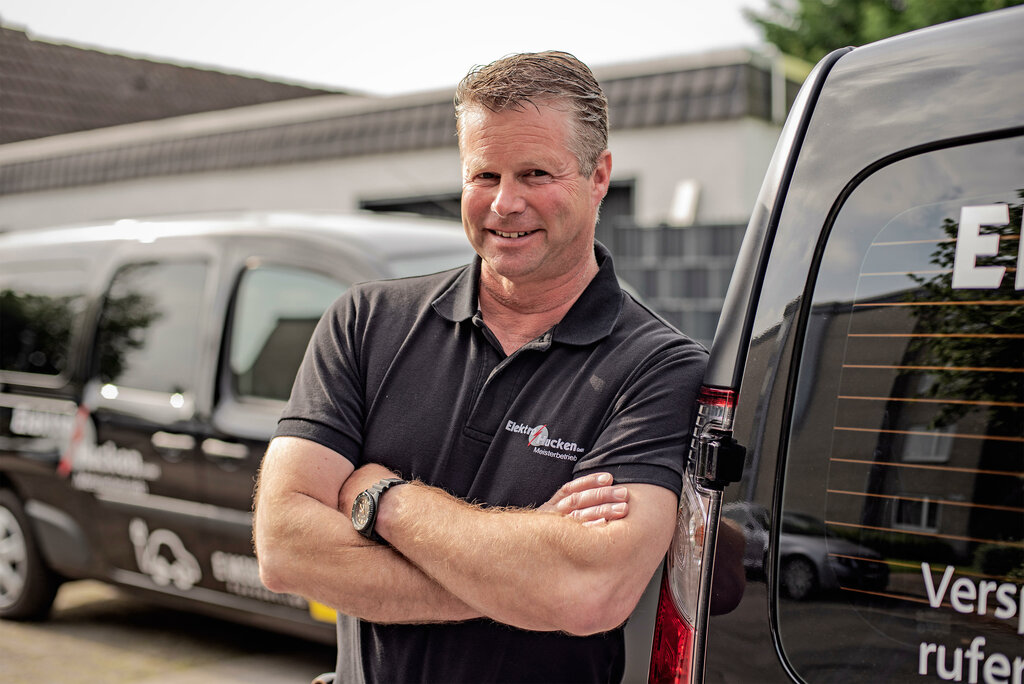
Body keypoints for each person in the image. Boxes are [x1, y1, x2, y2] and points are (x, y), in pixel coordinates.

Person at [254, 50, 709, 684]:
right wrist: (523, 581)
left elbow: (590, 591)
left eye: (535, 173)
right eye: (484, 175)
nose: (505, 203)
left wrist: (383, 499)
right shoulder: (365, 322)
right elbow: (284, 549)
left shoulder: (659, 368)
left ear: (599, 176)